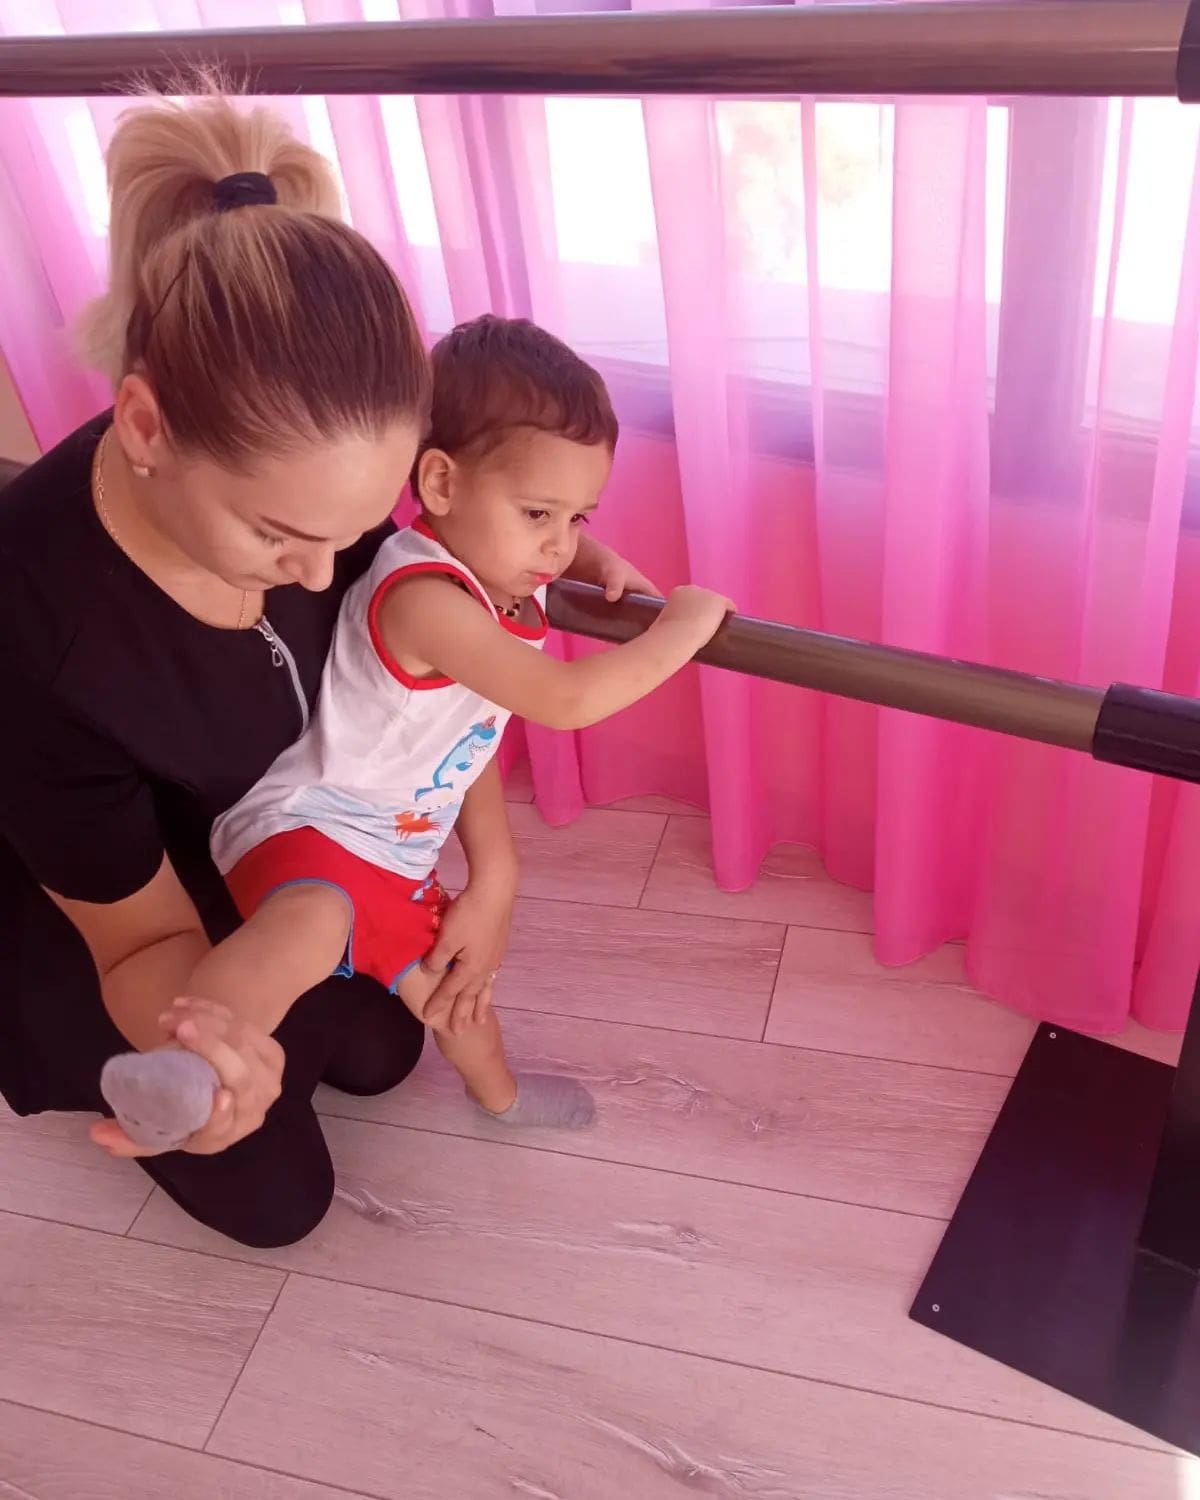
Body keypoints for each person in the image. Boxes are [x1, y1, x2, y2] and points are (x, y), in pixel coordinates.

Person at [0, 90, 660, 1249]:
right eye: (278, 538)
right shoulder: (40, 632)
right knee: (279, 1202)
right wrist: (213, 1050)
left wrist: (494, 868)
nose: (319, 576)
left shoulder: (329, 491)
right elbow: (139, 942)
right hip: (107, 894)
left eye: (353, 530)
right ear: (145, 427)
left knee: (385, 1051)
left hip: (287, 832)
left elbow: (437, 692)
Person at [102, 315, 732, 1150]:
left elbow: (535, 550)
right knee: (304, 930)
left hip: (395, 855)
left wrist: (595, 559)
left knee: (457, 997)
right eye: (540, 513)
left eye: (579, 517)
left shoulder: (500, 559)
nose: (557, 546)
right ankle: (191, 1066)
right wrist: (681, 630)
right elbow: (564, 699)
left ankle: (501, 1100)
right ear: (439, 483)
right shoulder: (426, 596)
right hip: (314, 827)